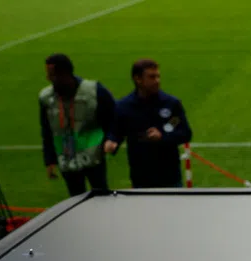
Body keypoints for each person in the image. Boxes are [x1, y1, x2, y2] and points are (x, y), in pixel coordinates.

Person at [104, 59, 193, 188]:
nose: (157, 81)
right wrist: (111, 142)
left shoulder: (171, 104)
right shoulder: (124, 107)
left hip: (169, 177)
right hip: (141, 178)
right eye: (152, 77)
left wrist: (162, 137)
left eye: (158, 76)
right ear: (137, 79)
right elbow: (117, 132)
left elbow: (185, 133)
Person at [38, 53, 116, 196]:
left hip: (93, 156)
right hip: (66, 158)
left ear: (65, 73)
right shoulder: (45, 97)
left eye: (52, 74)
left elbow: (114, 118)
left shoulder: (94, 91)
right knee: (75, 199)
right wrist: (49, 160)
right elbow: (47, 129)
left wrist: (111, 139)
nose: (48, 78)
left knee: (101, 197)